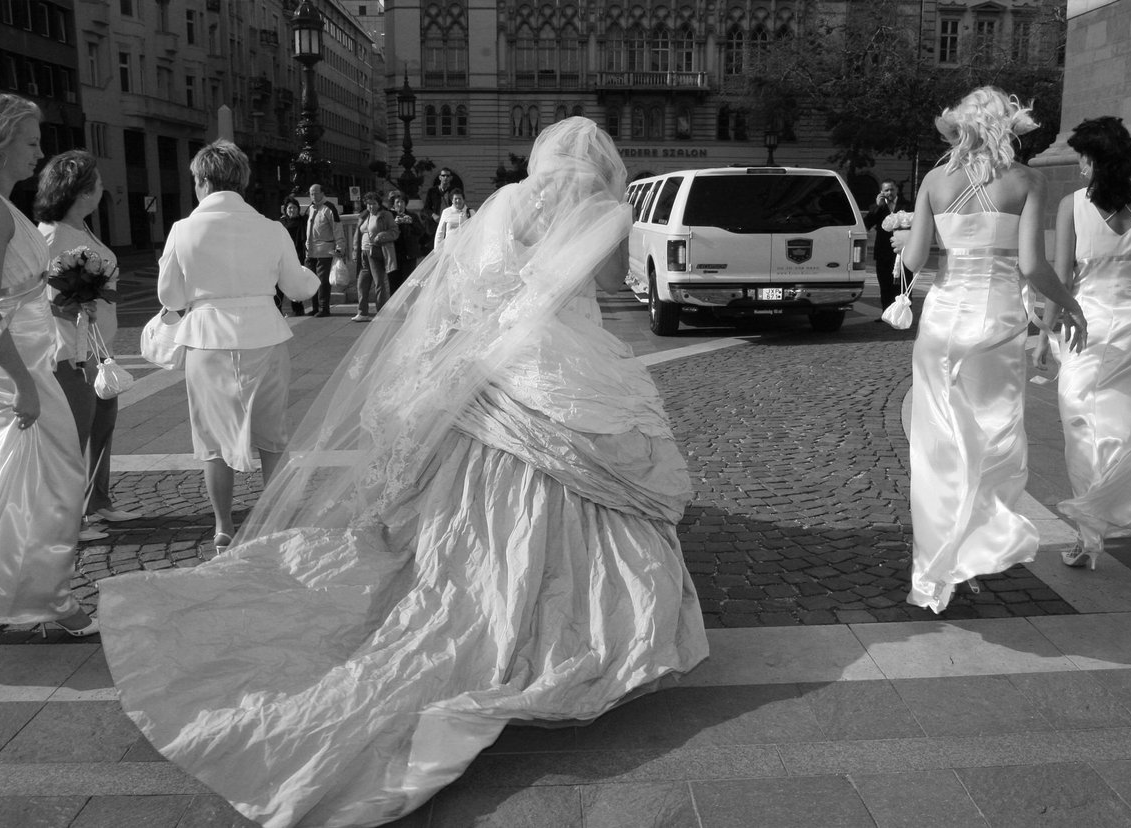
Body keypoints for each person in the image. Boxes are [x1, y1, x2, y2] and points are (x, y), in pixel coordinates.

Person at [99, 117, 708, 827]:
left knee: (460, 488)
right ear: (604, 166)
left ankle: (470, 571)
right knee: (583, 486)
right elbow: (611, 285)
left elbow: (466, 284)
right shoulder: (607, 210)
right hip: (569, 366)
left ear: (541, 158)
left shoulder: (508, 201)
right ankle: (561, 607)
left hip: (497, 368)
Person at [894, 86, 1089, 614]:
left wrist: (904, 241)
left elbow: (914, 260)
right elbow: (1032, 266)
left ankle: (938, 568)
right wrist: (1069, 305)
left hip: (941, 326)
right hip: (997, 326)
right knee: (992, 437)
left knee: (938, 449)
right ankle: (974, 549)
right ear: (1009, 127)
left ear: (962, 128)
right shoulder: (1028, 181)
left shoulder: (935, 181)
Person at [0, 93, 98, 638]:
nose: (39, 152)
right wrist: (23, 385)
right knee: (53, 483)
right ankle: (49, 599)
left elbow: (16, 292)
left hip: (25, 359)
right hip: (12, 368)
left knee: (12, 484)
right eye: (30, 141)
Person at [152, 140, 320, 553]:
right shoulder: (271, 227)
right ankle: (276, 521)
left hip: (207, 339)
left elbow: (170, 297)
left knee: (211, 441)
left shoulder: (182, 230)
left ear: (203, 180)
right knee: (272, 437)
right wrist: (316, 279)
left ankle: (223, 526)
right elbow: (297, 287)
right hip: (264, 333)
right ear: (240, 181)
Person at [1034, 116, 1131, 570]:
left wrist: (1043, 333)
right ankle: (1118, 506)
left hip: (1087, 327)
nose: (1079, 164)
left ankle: (1089, 532)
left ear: (1097, 160)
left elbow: (1061, 279)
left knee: (1081, 424)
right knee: (1130, 422)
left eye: (1083, 156)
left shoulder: (1072, 205)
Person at [35, 149, 147, 543]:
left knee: (103, 424)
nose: (101, 188)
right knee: (75, 434)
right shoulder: (50, 235)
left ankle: (97, 500)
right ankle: (67, 520)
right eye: (96, 182)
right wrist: (74, 304)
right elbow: (41, 296)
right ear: (80, 189)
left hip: (98, 347)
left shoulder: (81, 229)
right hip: (71, 350)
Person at [349, 190, 398, 322]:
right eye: (368, 204)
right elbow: (357, 235)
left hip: (376, 251)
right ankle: (362, 312)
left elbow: (394, 232)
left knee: (379, 283)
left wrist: (381, 236)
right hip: (364, 253)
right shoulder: (364, 216)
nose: (371, 206)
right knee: (362, 283)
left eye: (374, 203)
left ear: (379, 204)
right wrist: (355, 251)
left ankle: (381, 312)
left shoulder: (385, 215)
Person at [300, 183, 346, 317]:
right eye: (311, 193)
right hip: (311, 252)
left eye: (315, 193)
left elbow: (337, 229)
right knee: (312, 280)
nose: (313, 196)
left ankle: (324, 308)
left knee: (323, 281)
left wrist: (340, 248)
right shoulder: (311, 208)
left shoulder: (329, 208)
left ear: (322, 193)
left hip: (325, 251)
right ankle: (315, 307)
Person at [864, 179, 911, 309]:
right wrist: (877, 206)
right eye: (886, 190)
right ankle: (886, 313)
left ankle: (903, 312)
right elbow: (866, 225)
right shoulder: (877, 207)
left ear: (897, 190)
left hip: (903, 252)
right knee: (885, 285)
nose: (889, 192)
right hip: (883, 251)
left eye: (892, 189)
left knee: (903, 284)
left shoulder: (908, 205)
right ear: (881, 192)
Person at [386, 189, 423, 292]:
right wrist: (394, 223)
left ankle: (408, 306)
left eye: (402, 202)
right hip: (393, 255)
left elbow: (421, 232)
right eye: (397, 202)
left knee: (408, 283)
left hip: (409, 255)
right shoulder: (389, 216)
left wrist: (411, 223)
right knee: (394, 283)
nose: (400, 204)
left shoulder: (412, 216)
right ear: (393, 204)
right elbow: (384, 232)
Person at [277, 197, 306, 316]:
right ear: (285, 210)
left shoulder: (304, 221)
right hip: (283, 256)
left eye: (294, 207)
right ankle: (278, 309)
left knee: (295, 284)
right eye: (289, 208)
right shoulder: (281, 222)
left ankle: (298, 309)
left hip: (299, 255)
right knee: (280, 284)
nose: (292, 210)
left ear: (298, 209)